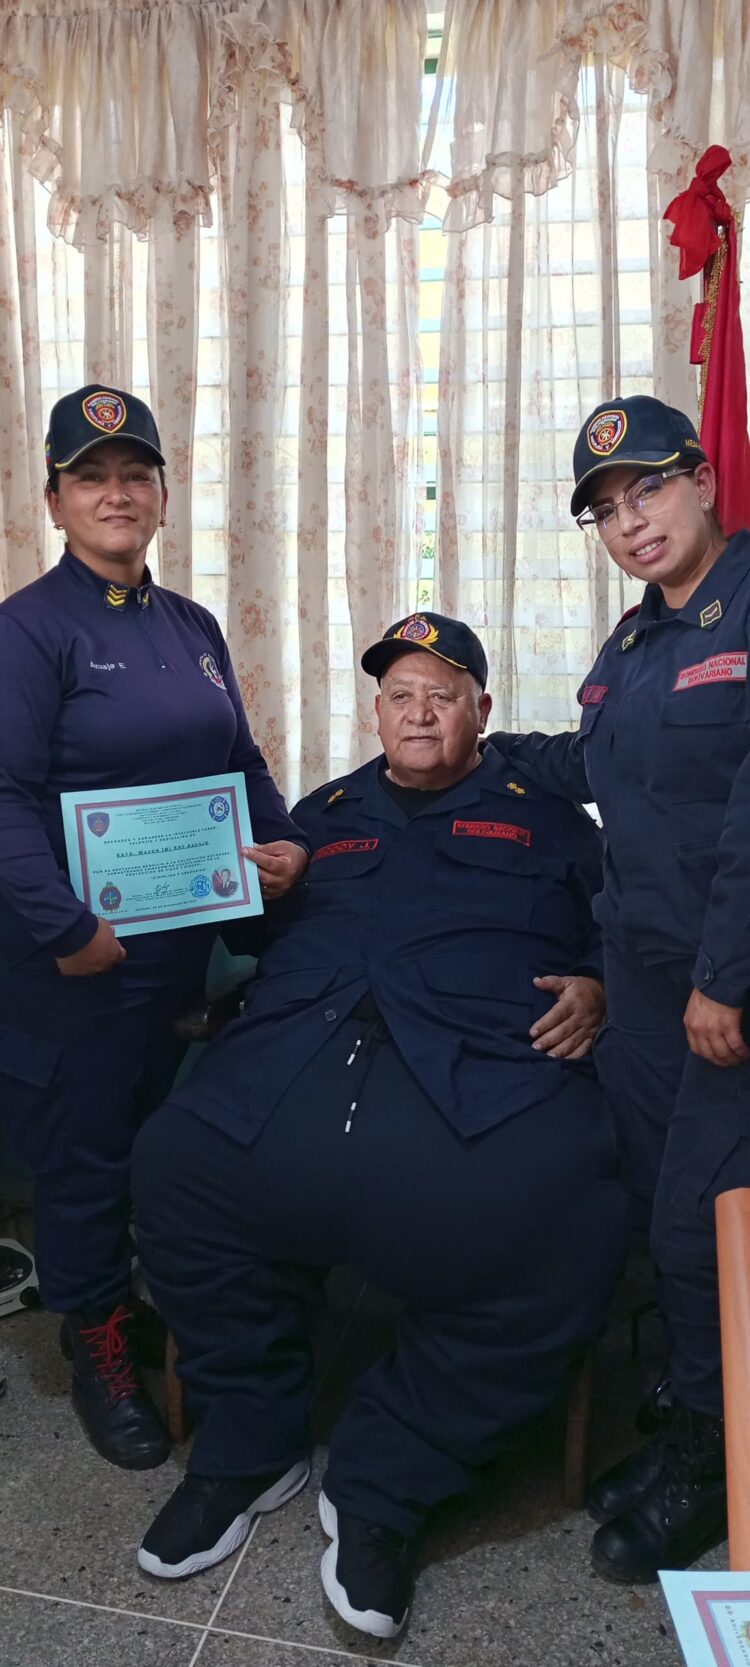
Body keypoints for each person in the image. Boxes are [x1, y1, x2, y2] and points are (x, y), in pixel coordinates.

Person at [131, 611, 627, 1638]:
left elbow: (623, 921)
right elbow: (250, 926)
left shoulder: (548, 816)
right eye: (400, 694)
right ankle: (251, 1443)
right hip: (292, 1059)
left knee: (568, 1207)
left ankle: (388, 1475)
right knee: (175, 1164)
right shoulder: (325, 812)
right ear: (376, 712)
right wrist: (247, 885)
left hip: (474, 1073)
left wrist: (600, 985)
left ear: (482, 711)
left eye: (443, 695)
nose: (419, 712)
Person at [0, 385, 308, 1471]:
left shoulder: (192, 626)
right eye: (90, 476)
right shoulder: (28, 630)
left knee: (153, 1142)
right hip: (76, 963)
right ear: (55, 501)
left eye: (136, 474)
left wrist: (284, 844)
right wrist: (66, 928)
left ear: (164, 496)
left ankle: (134, 1297)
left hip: (181, 952)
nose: (116, 493)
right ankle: (94, 1339)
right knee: (85, 1157)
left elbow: (242, 762)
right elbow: (3, 798)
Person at [487, 393, 750, 1582]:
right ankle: (700, 1393)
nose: (631, 519)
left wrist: (726, 978)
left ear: (704, 479)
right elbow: (594, 764)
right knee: (656, 1198)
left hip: (722, 986)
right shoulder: (638, 641)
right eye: (605, 508)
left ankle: (714, 1451)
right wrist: (476, 748)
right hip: (642, 978)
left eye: (648, 487)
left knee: (700, 1222)